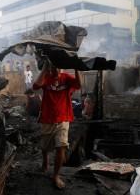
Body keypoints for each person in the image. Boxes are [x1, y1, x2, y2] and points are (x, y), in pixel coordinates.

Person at [33, 61, 81, 189]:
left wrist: (77, 68)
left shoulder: (66, 77)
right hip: (47, 118)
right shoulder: (46, 78)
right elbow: (35, 86)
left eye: (58, 65)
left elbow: (79, 84)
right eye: (53, 65)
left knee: (61, 146)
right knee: (45, 146)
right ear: (49, 66)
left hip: (63, 118)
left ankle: (56, 175)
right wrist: (44, 69)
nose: (56, 68)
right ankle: (45, 160)